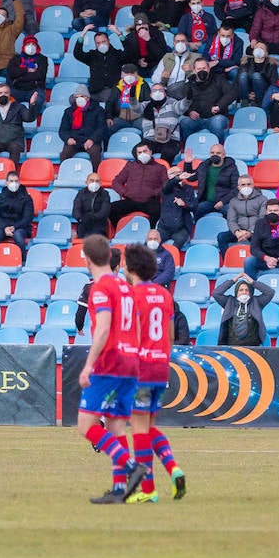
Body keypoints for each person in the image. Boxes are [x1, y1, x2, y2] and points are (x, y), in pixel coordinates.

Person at [70, 234, 151, 504]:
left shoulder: (100, 287)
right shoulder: (126, 286)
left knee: (86, 425)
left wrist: (89, 365)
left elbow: (103, 327)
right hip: (130, 361)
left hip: (110, 361)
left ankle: (131, 467)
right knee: (116, 426)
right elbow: (138, 326)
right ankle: (119, 490)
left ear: (88, 259)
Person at [119, 243, 185, 503]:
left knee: (138, 429)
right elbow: (169, 336)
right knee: (149, 425)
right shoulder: (164, 294)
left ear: (132, 268)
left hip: (141, 367)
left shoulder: (132, 295)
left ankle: (149, 491)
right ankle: (173, 469)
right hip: (160, 365)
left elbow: (133, 333)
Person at [244, 199, 279, 282]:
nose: (272, 213)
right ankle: (252, 290)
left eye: (275, 210)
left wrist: (278, 259)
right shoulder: (259, 223)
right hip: (265, 259)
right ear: (266, 212)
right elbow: (254, 248)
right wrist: (266, 258)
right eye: (270, 210)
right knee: (249, 261)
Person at [110, 143, 166, 225]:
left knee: (160, 211)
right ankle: (121, 230)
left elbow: (166, 185)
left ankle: (151, 233)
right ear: (136, 154)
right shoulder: (130, 166)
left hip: (150, 201)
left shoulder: (160, 168)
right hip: (131, 200)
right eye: (139, 152)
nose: (142, 154)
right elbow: (116, 182)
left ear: (150, 152)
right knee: (110, 209)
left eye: (145, 151)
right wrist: (124, 192)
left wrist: (155, 193)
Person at [213, 273, 274, 346]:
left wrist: (252, 282)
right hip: (232, 345)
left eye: (246, 290)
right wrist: (232, 281)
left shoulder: (256, 302)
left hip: (253, 346)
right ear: (236, 292)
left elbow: (270, 292)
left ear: (250, 292)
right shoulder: (229, 301)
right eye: (241, 290)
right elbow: (216, 293)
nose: (244, 292)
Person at [183, 144, 239, 219]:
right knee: (196, 210)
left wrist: (223, 201)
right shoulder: (204, 166)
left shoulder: (232, 168)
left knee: (230, 213)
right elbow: (190, 178)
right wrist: (188, 163)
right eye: (212, 153)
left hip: (225, 202)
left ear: (224, 155)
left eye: (218, 153)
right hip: (207, 201)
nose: (214, 155)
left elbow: (235, 189)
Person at [58, 85, 107, 170]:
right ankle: (64, 173)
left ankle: (95, 175)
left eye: (82, 96)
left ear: (88, 97)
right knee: (65, 153)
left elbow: (101, 128)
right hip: (74, 140)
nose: (79, 99)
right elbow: (63, 130)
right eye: (77, 97)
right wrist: (68, 139)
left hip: (91, 141)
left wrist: (92, 140)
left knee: (95, 153)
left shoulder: (98, 110)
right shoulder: (69, 111)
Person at [218, 175, 264, 252]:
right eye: (243, 185)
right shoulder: (233, 201)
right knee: (221, 237)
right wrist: (236, 232)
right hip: (240, 231)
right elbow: (231, 220)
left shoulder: (262, 199)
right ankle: (227, 260)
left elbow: (262, 218)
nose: (246, 187)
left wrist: (250, 232)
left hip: (256, 231)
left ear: (253, 186)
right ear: (238, 187)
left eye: (248, 184)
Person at [0, 172, 33, 250]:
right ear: (6, 183)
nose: (14, 183)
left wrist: (14, 227)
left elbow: (27, 218)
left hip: (21, 227)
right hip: (3, 227)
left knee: (18, 235)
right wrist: (4, 227)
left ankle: (23, 260)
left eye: (16, 181)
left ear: (19, 183)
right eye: (11, 181)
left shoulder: (26, 198)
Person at [157, 167, 197, 248]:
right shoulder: (165, 187)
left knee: (177, 244)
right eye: (173, 173)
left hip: (181, 228)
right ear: (168, 176)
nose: (177, 174)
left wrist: (185, 204)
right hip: (164, 227)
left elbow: (194, 206)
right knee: (151, 243)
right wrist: (178, 178)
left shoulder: (188, 188)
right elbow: (169, 185)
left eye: (179, 172)